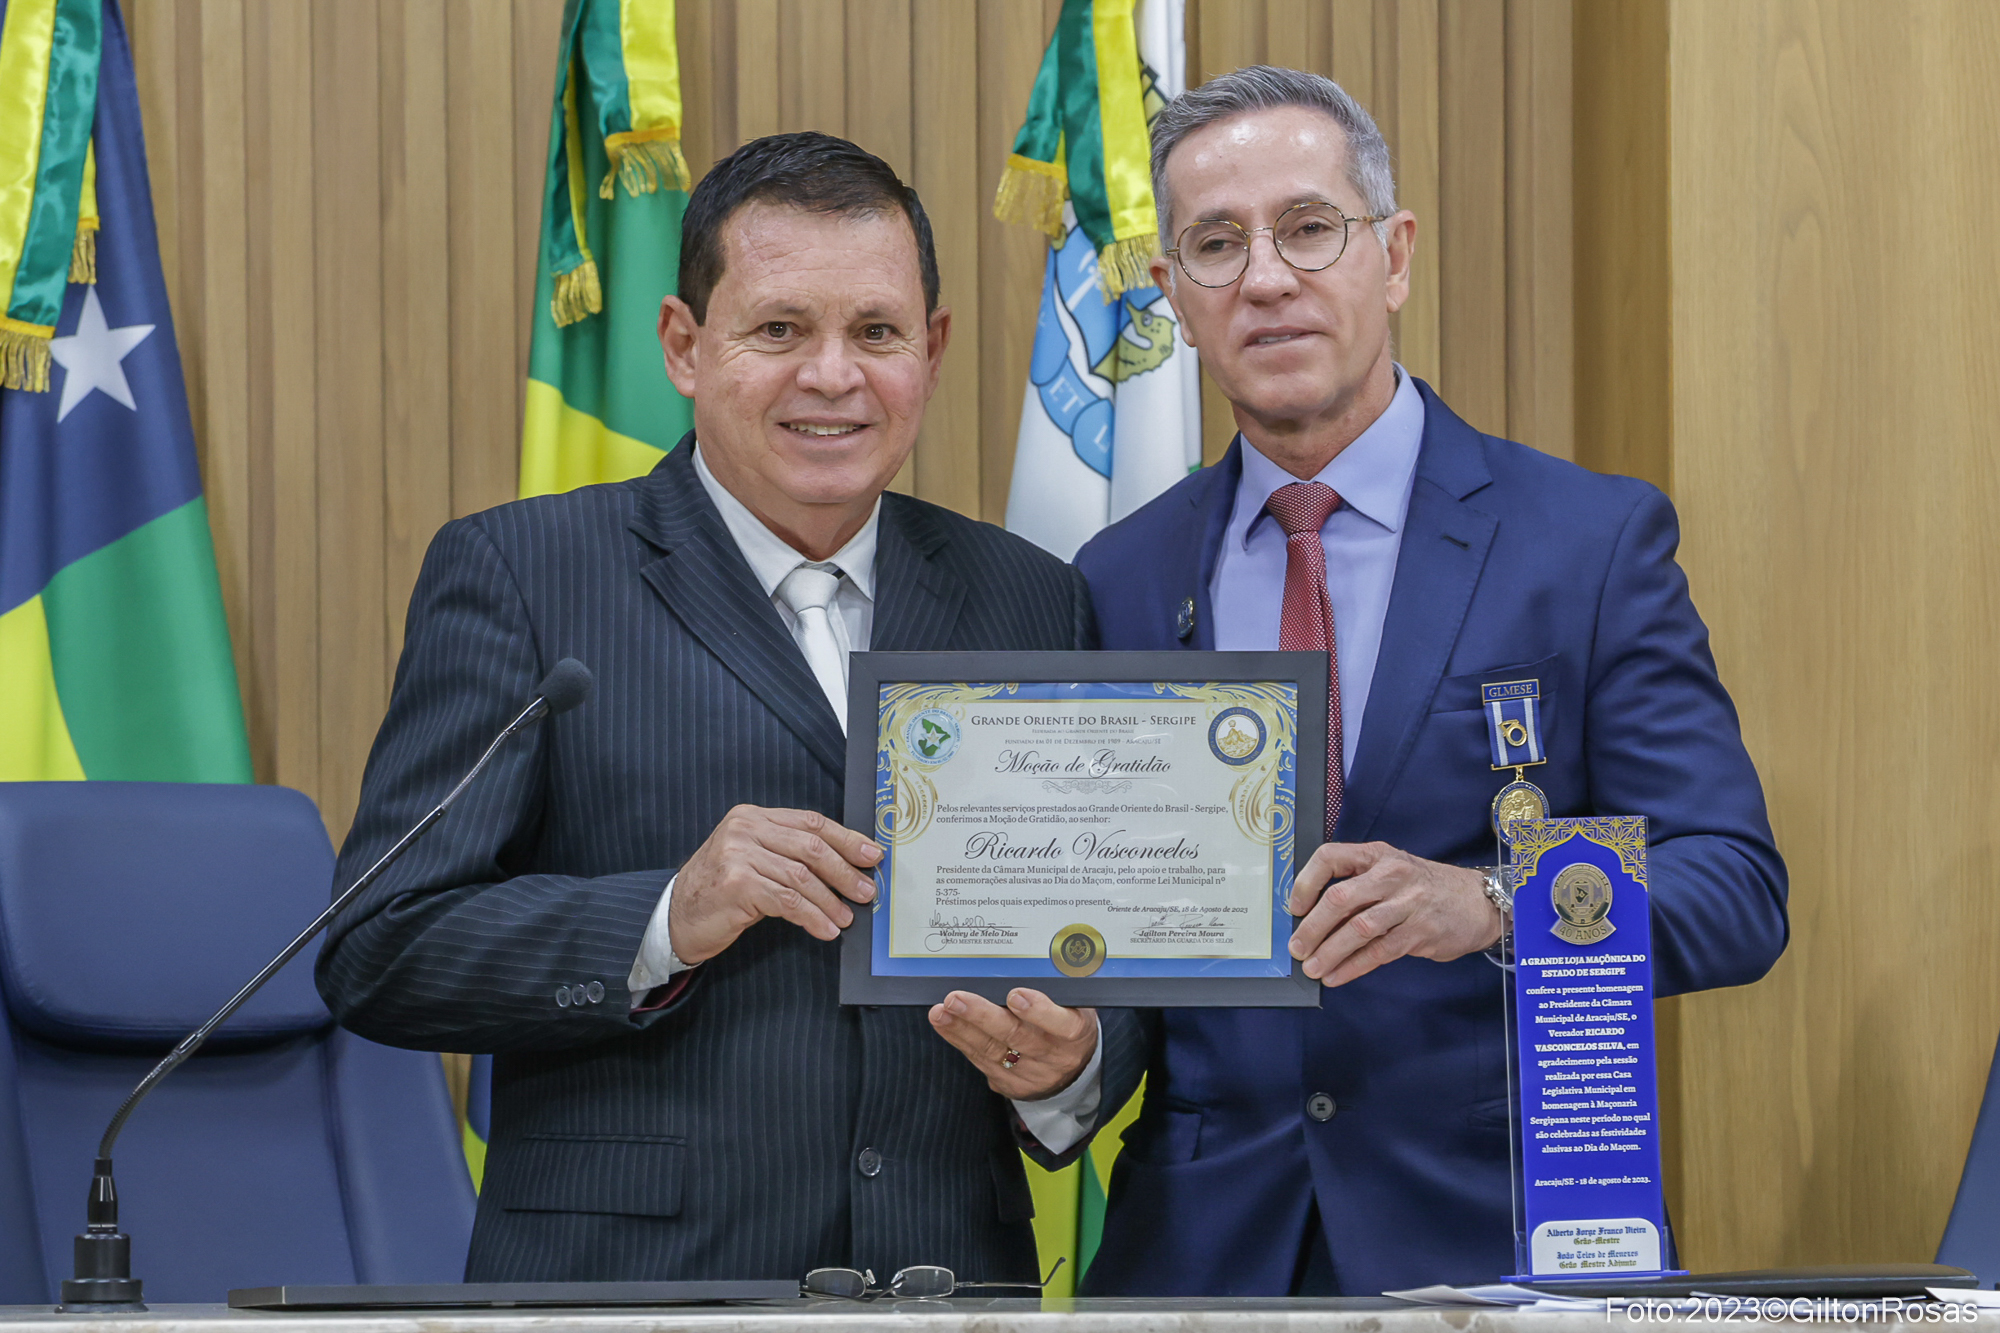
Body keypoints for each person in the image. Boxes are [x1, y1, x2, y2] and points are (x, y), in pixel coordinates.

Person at [314, 132, 1105, 1285]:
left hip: (947, 1283)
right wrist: (666, 915)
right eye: (778, 329)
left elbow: (1107, 934)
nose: (831, 375)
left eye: (875, 332)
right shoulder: (523, 575)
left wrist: (1073, 1063)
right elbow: (379, 948)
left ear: (930, 351)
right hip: (627, 1292)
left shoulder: (1031, 598)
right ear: (684, 345)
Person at [1070, 67, 1789, 1297]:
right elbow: (1126, 937)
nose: (1264, 279)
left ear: (1393, 254)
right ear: (1172, 296)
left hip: (1495, 1236)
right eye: (1215, 245)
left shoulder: (1585, 543)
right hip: (1199, 1257)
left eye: (1308, 228)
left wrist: (1498, 903)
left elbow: (1732, 888)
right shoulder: (1116, 577)